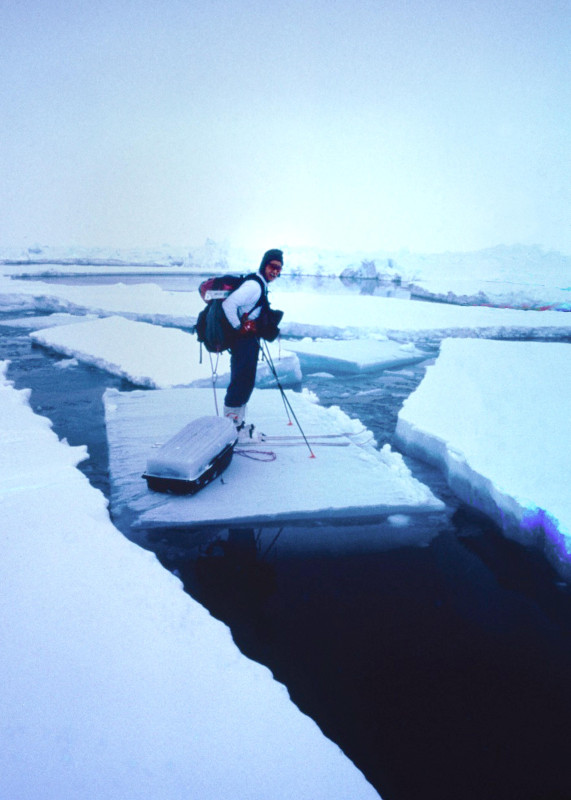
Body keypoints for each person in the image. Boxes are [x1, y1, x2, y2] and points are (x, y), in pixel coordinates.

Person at [222, 248, 283, 441]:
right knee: (240, 381)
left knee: (246, 381)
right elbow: (228, 305)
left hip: (249, 340)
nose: (275, 272)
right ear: (264, 264)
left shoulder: (261, 285)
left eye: (279, 269)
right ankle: (230, 426)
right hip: (243, 340)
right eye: (273, 266)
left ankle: (237, 425)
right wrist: (239, 327)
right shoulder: (254, 286)